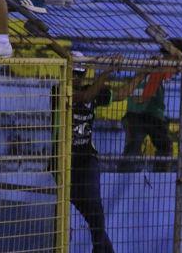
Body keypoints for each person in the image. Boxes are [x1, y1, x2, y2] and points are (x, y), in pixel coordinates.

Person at [63, 56, 147, 253]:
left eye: (79, 74)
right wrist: (107, 72)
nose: (76, 78)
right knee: (92, 217)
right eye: (74, 73)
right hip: (63, 161)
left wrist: (143, 73)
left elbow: (121, 94)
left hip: (86, 160)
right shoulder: (59, 92)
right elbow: (84, 98)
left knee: (96, 215)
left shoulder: (91, 93)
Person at [120, 41, 182, 172]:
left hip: (138, 113)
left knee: (135, 145)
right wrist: (143, 98)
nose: (178, 68)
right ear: (174, 56)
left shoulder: (153, 64)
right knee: (163, 146)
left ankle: (125, 172)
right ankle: (159, 175)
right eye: (178, 59)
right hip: (147, 113)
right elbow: (149, 89)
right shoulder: (160, 66)